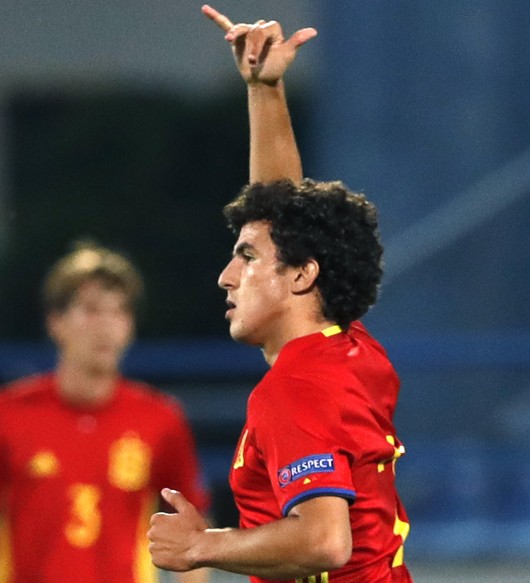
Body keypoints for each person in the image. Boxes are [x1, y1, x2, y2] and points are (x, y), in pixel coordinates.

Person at [147, 5, 413, 583]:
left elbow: (323, 542)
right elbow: (283, 216)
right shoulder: (349, 348)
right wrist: (265, 90)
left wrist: (201, 547)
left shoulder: (295, 388)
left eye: (244, 258)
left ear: (302, 277)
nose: (225, 276)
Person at [0, 241, 210, 583]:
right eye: (92, 310)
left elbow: (193, 525)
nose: (106, 325)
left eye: (119, 311)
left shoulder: (160, 419)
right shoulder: (9, 414)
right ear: (56, 322)